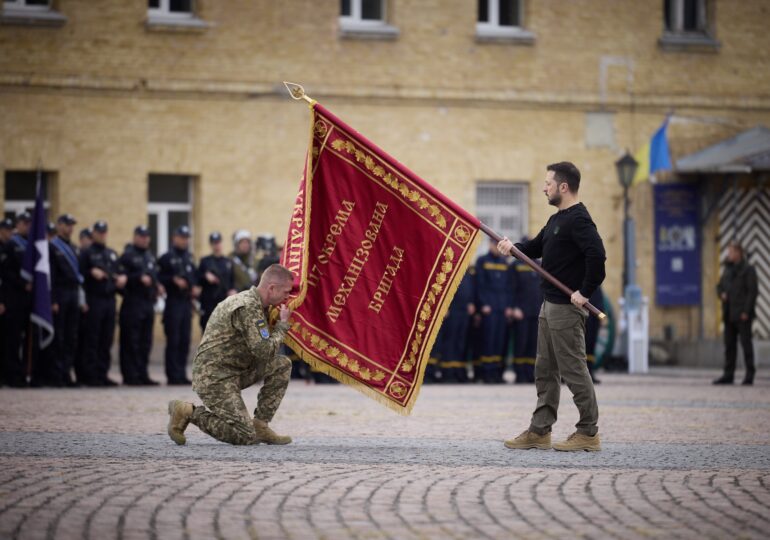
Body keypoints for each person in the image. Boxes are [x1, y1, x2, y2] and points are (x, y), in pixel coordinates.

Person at [499, 161, 606, 452]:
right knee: (544, 370)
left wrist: (585, 292)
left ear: (563, 187)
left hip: (567, 309)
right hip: (548, 306)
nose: (544, 188)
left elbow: (597, 256)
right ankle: (539, 431)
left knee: (573, 370)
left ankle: (588, 432)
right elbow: (535, 248)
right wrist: (513, 248)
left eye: (548, 183)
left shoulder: (579, 220)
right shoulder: (557, 220)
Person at [166, 264, 295, 446]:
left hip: (235, 370)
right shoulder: (248, 307)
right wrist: (282, 326)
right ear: (272, 288)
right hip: (214, 377)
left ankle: (260, 425)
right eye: (286, 292)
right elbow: (264, 351)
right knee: (245, 436)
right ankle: (186, 411)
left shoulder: (259, 305)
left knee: (281, 364)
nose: (288, 297)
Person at [79, 220, 126, 386]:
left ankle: (102, 373)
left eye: (104, 232)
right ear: (93, 234)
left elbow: (120, 272)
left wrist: (122, 278)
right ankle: (90, 376)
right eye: (99, 232)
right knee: (92, 338)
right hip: (94, 299)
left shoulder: (111, 253)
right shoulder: (86, 253)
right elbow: (78, 277)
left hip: (110, 300)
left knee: (107, 339)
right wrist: (90, 272)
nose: (102, 235)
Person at [119, 226, 162, 385]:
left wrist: (157, 286)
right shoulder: (127, 256)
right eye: (141, 236)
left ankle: (142, 374)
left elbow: (153, 276)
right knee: (132, 341)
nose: (145, 239)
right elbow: (121, 279)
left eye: (147, 236)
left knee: (145, 341)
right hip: (132, 302)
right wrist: (138, 278)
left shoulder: (149, 256)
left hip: (147, 303)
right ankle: (130, 376)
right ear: (135, 237)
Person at [714, 241, 758, 386]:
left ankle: (749, 374)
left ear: (739, 253)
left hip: (742, 314)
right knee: (729, 346)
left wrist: (746, 311)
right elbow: (719, 287)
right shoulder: (728, 270)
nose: (729, 255)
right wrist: (722, 294)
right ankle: (728, 374)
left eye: (731, 252)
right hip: (728, 313)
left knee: (746, 345)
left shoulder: (748, 270)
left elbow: (752, 292)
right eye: (728, 252)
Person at [158, 225, 197, 385]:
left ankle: (181, 373)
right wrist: (172, 280)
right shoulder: (167, 257)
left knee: (184, 339)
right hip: (173, 301)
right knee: (173, 339)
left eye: (187, 238)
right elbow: (159, 278)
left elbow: (194, 277)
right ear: (175, 238)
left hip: (186, 302)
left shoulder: (188, 257)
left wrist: (194, 287)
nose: (184, 240)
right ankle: (172, 374)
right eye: (182, 237)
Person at [474, 238, 514, 383]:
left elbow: (509, 288)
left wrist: (509, 306)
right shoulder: (482, 261)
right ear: (490, 245)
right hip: (489, 309)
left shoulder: (504, 263)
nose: (497, 249)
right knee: (488, 341)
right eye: (495, 245)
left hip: (502, 309)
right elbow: (480, 285)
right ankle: (486, 373)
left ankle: (497, 373)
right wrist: (483, 304)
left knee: (500, 341)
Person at [49, 214, 83, 386]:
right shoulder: (53, 247)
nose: (70, 228)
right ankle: (56, 374)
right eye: (67, 225)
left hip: (73, 294)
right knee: (59, 335)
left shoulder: (75, 248)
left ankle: (66, 373)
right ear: (59, 225)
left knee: (71, 336)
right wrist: (53, 299)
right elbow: (52, 276)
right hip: (60, 294)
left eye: (72, 225)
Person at [1, 212, 33, 387]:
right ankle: (11, 375)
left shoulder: (33, 244)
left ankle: (24, 373)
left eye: (29, 223)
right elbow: (5, 272)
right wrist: (22, 284)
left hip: (29, 299)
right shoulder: (11, 245)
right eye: (24, 223)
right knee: (12, 338)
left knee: (27, 338)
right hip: (14, 297)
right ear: (18, 224)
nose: (27, 226)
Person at [510, 244, 543, 384]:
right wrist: (514, 307)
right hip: (521, 311)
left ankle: (530, 373)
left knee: (533, 344)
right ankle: (519, 374)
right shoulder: (515, 265)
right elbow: (510, 288)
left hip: (536, 310)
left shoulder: (539, 265)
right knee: (521, 343)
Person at [435, 269, 475, 383]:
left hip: (464, 310)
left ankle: (458, 371)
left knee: (461, 342)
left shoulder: (468, 271)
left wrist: (471, 302)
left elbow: (471, 288)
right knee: (450, 341)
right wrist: (444, 306)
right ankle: (448, 372)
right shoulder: (450, 267)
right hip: (452, 310)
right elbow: (443, 287)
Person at [197, 231, 236, 331]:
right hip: (209, 303)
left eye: (218, 242)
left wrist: (233, 290)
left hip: (224, 303)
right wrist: (205, 276)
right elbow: (197, 279)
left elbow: (232, 281)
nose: (217, 245)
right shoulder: (205, 261)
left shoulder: (227, 262)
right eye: (214, 243)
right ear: (211, 245)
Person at [584, 286, 605, 384]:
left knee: (591, 346)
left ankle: (590, 373)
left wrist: (602, 316)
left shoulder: (595, 281)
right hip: (583, 316)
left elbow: (600, 300)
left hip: (594, 317)